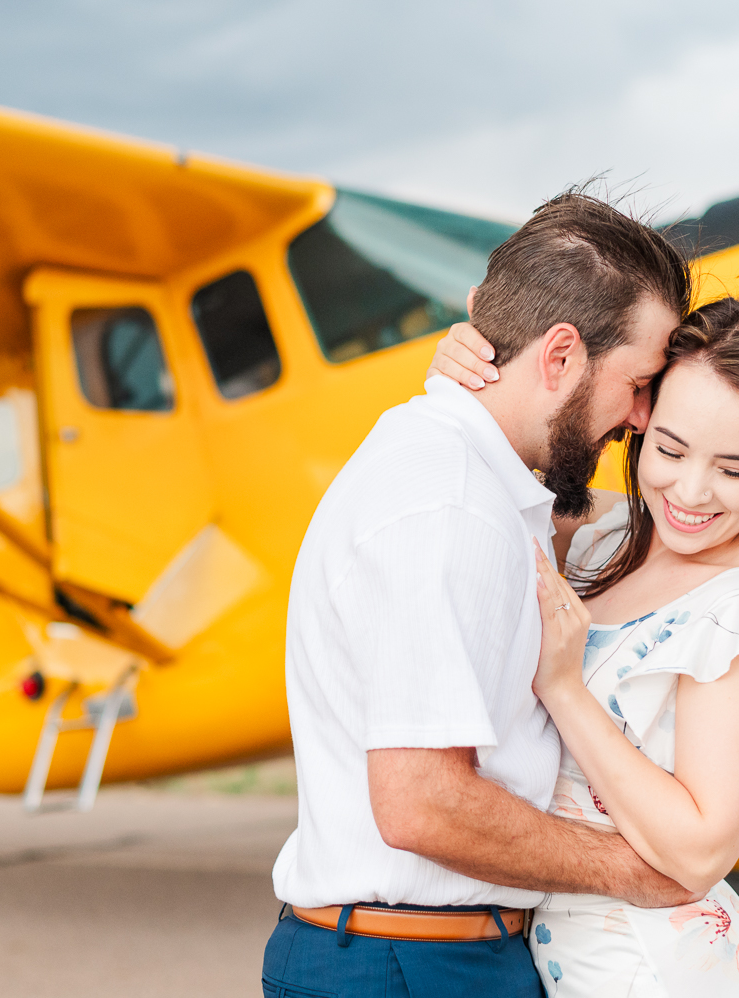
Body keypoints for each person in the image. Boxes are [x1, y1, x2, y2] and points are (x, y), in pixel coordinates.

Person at [264, 187, 693, 997]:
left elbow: (614, 526)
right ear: (560, 356)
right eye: (638, 383)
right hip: (415, 965)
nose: (641, 418)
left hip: (425, 956)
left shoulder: (483, 483)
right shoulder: (450, 505)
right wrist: (629, 870)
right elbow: (422, 803)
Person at [435, 293, 739, 996]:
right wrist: (464, 373)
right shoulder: (611, 536)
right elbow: (498, 473)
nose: (690, 491)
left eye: (734, 469)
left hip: (653, 972)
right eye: (668, 449)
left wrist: (566, 690)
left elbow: (700, 851)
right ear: (639, 419)